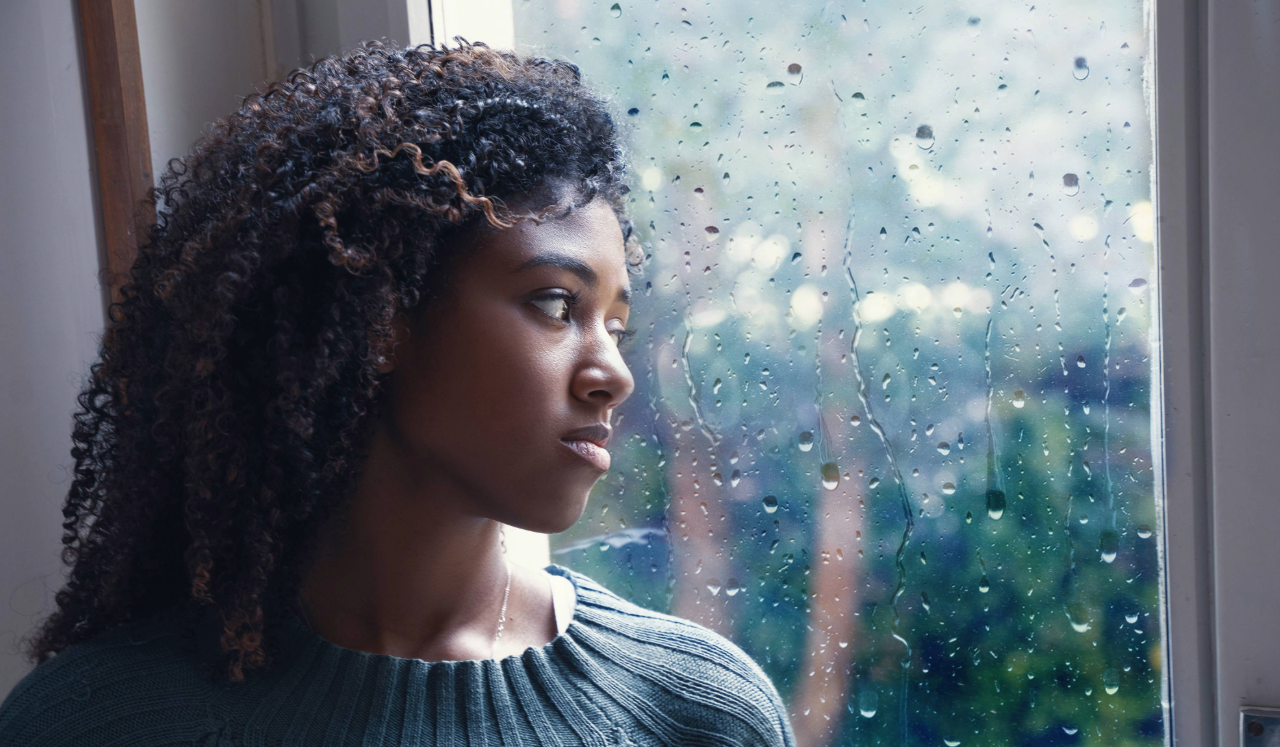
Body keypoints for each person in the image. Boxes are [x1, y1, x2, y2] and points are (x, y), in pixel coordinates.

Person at [0, 40, 796, 746]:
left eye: (615, 327)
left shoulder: (699, 715)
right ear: (380, 317)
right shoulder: (97, 722)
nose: (612, 374)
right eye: (557, 305)